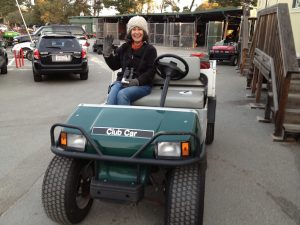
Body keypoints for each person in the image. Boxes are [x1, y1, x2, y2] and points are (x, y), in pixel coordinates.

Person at [103, 16, 157, 105]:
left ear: (144, 32)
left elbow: (151, 71)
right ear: (130, 32)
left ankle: (124, 119)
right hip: (123, 82)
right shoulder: (124, 47)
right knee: (112, 94)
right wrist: (107, 55)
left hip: (142, 85)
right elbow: (115, 66)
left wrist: (137, 81)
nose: (136, 32)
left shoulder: (150, 50)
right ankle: (111, 118)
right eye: (133, 29)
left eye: (139, 29)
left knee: (123, 94)